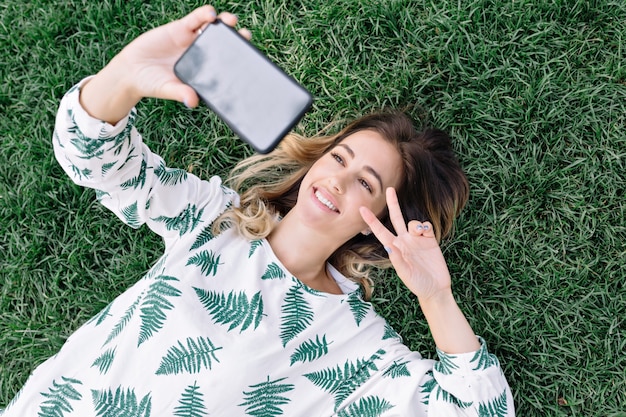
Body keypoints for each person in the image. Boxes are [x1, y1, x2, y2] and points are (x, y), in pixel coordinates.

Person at [2, 5, 515, 417]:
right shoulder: (213, 221)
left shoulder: (353, 344)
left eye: (365, 181)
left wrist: (436, 297)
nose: (336, 178)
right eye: (339, 157)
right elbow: (93, 157)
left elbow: (478, 409)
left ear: (383, 218)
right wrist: (127, 75)